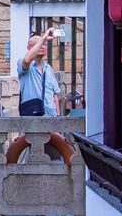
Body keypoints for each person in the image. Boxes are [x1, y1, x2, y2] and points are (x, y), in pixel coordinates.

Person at [4, 29, 74, 165]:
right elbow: (27, 59)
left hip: (51, 119)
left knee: (56, 159)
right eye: (38, 44)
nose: (42, 46)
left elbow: (55, 95)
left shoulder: (48, 69)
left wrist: (58, 117)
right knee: (29, 159)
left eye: (44, 45)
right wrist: (44, 37)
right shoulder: (25, 67)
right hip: (32, 119)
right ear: (30, 48)